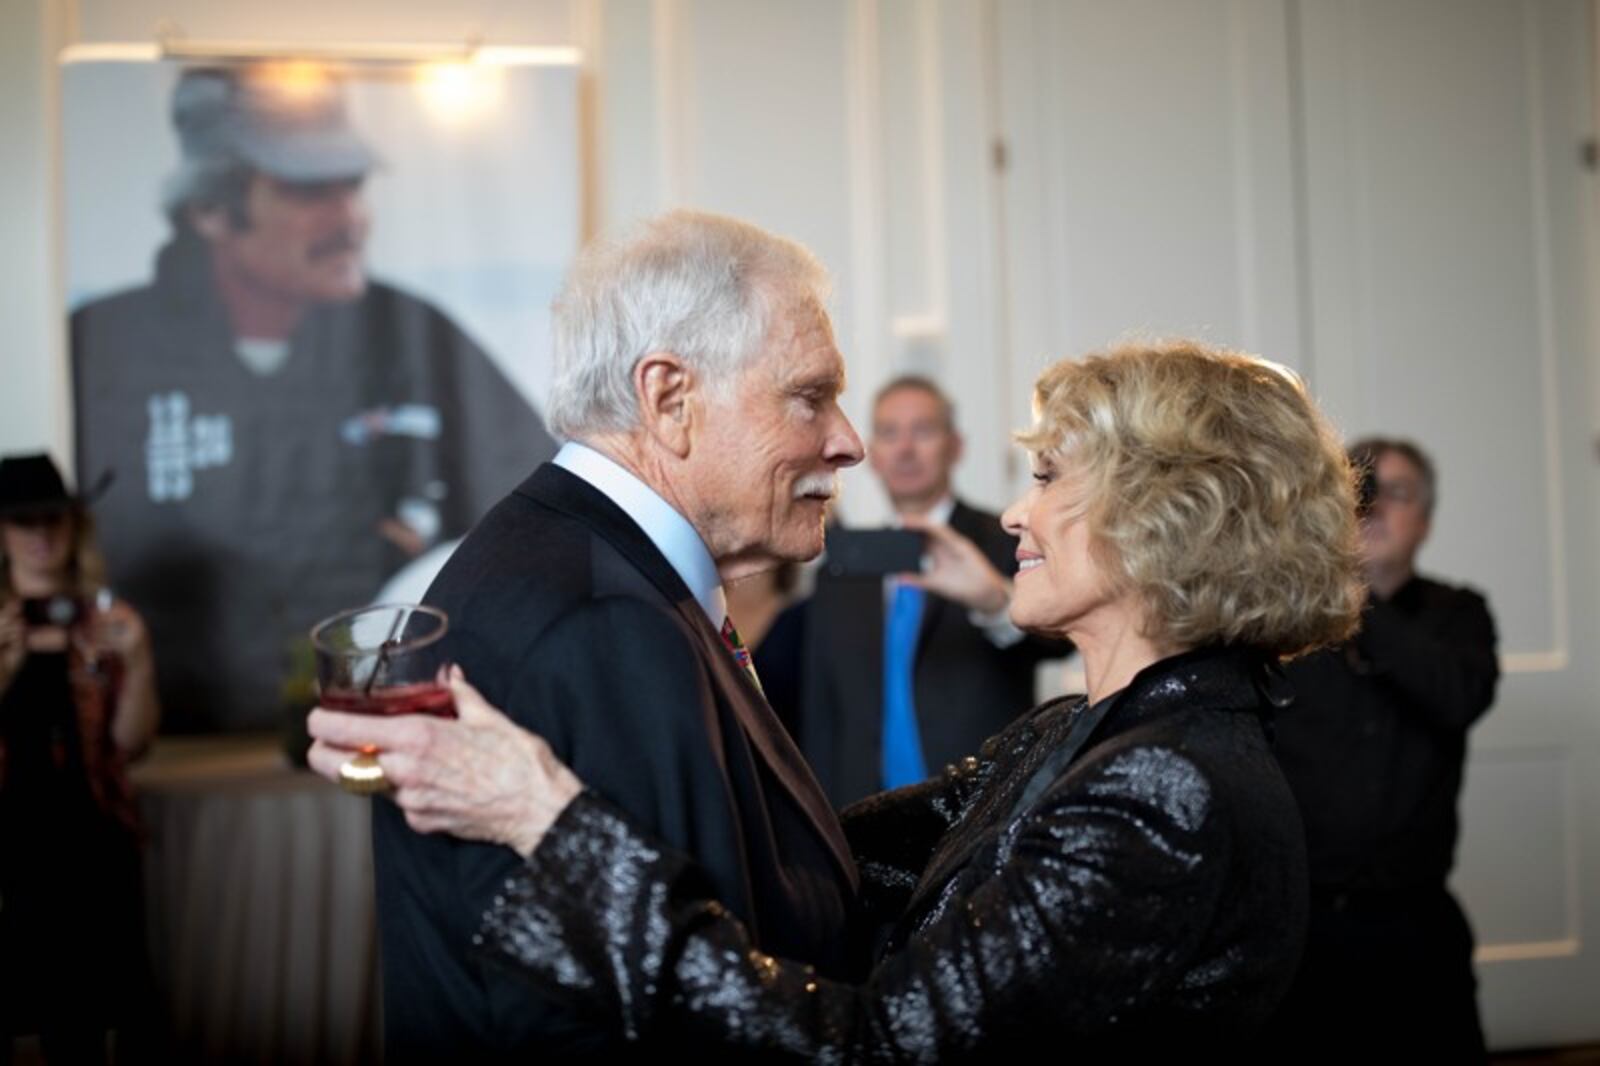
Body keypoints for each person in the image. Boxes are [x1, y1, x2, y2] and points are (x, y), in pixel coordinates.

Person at [308, 338, 1366, 1056]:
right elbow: (820, 865)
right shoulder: (1088, 732)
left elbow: (867, 1045)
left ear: (1164, 518)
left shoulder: (1163, 788)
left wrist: (545, 816)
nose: (1014, 514)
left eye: (1048, 478)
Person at [344, 211, 866, 1059]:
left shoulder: (575, 563)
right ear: (669, 400)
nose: (849, 442)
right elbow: (629, 1018)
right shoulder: (603, 624)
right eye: (810, 396)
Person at [71, 65, 555, 732]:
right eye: (308, 190)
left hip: (404, 731)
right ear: (210, 207)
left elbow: (545, 508)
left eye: (352, 184)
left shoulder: (418, 335)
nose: (351, 218)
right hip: (183, 752)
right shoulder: (101, 345)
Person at [1264, 438, 1499, 1061]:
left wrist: (1352, 592)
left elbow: (1459, 697)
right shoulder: (1283, 621)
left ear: (1425, 518)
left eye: (1394, 494)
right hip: (1298, 927)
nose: (1372, 509)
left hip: (1415, 925)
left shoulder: (1459, 614)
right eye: (1358, 494)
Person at [797, 375, 1070, 805]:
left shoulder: (1010, 538)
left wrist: (996, 600)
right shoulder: (841, 568)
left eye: (922, 430)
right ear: (873, 455)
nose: (905, 448)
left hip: (985, 809)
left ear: (955, 446)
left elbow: (1065, 639)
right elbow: (821, 710)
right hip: (864, 818)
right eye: (889, 433)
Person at [0, 454, 160, 1063]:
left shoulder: (107, 622)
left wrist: (140, 661)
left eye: (53, 519)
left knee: (87, 1026)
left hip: (92, 844)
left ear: (73, 526)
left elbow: (131, 743)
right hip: (12, 850)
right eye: (23, 522)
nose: (40, 535)